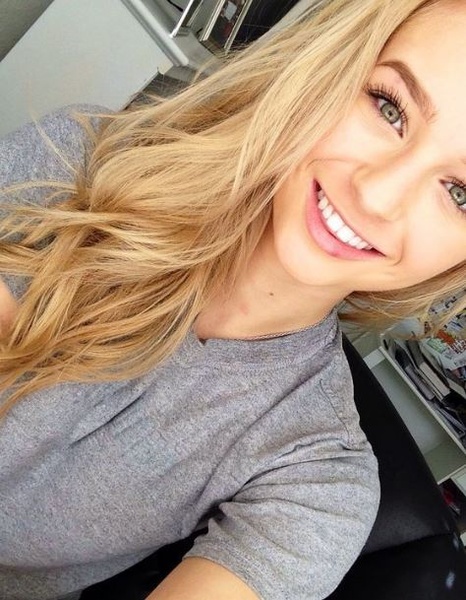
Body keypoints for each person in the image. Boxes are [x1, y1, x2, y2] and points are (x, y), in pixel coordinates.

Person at [1, 0, 466, 598]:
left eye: (460, 193)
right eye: (388, 106)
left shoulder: (319, 480)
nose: (377, 196)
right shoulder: (74, 169)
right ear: (326, 72)